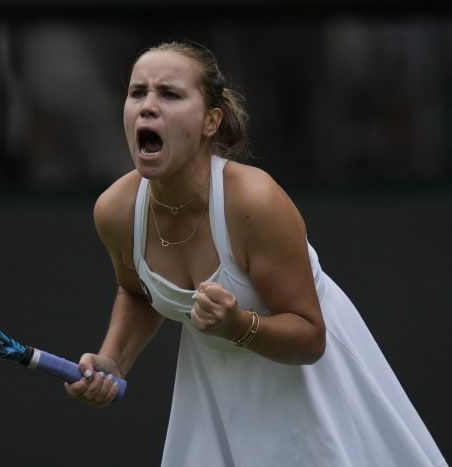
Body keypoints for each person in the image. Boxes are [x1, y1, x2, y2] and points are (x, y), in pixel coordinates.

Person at [63, 40, 447, 466]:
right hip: (213, 404)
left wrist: (238, 325)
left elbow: (310, 337)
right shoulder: (115, 210)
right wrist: (113, 360)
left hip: (316, 394)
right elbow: (138, 292)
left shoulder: (255, 202)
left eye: (169, 94)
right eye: (138, 93)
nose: (147, 107)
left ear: (211, 121)